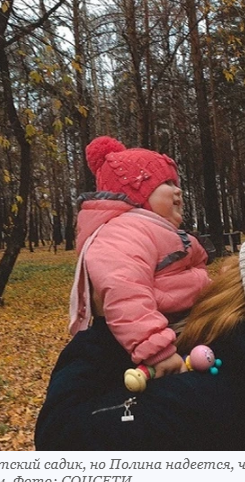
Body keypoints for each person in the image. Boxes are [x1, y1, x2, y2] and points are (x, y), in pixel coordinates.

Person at [35, 230, 245, 450]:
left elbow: (60, 437)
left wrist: (104, 329)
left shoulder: (208, 399)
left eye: (234, 267)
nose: (218, 272)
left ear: (243, 298)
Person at [68, 136, 212, 379]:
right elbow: (125, 289)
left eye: (176, 182)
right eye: (166, 182)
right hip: (160, 334)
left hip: (189, 320)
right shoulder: (123, 230)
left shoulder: (162, 231)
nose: (178, 189)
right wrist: (157, 349)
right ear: (136, 193)